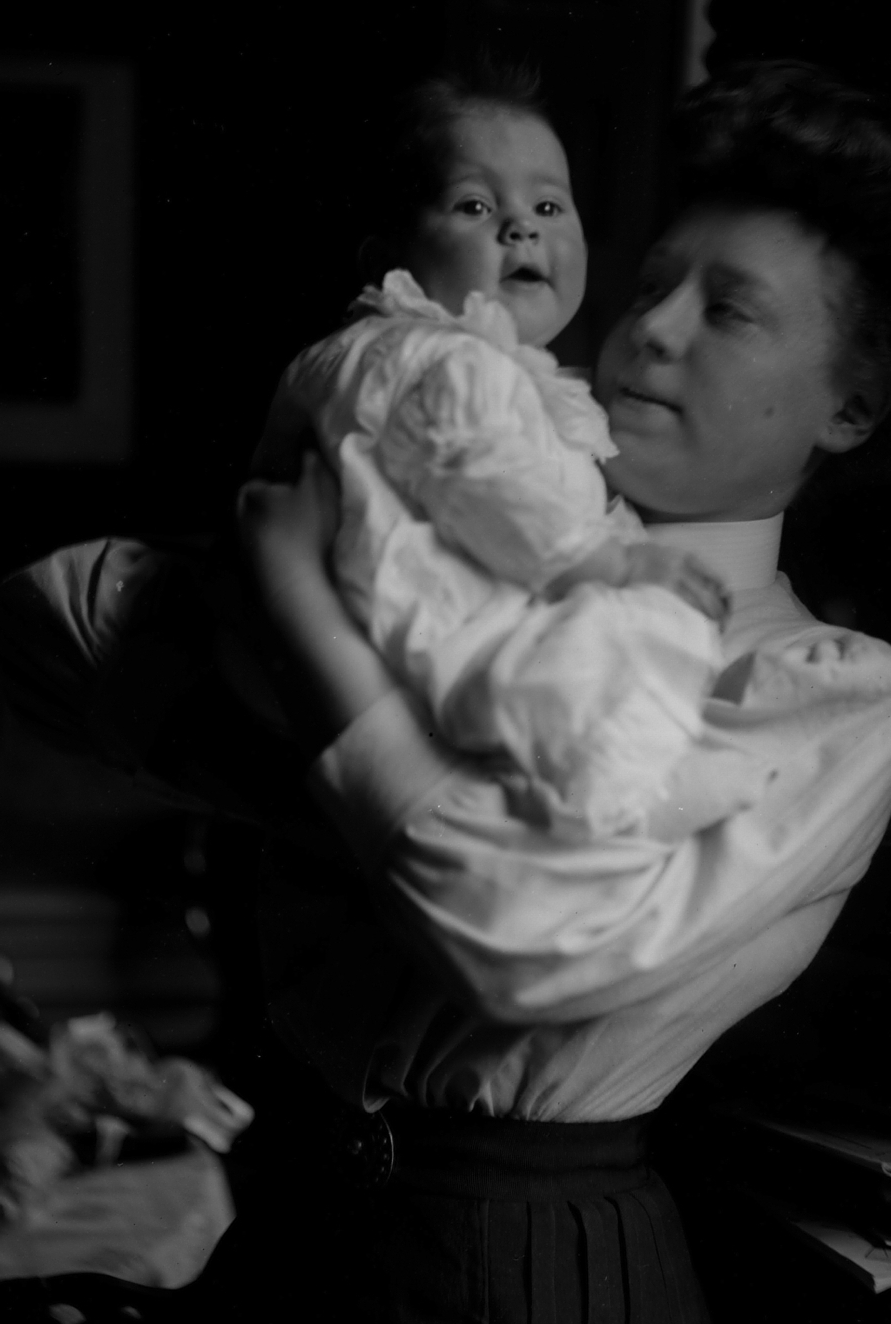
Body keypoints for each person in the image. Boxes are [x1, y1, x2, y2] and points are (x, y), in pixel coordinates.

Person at [0, 59, 891, 1324]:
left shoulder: (816, 692)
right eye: (648, 283)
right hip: (282, 1252)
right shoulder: (430, 498)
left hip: (533, 1312)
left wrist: (310, 642)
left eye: (727, 311)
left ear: (847, 406)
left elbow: (534, 946)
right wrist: (406, 750)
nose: (647, 332)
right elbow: (47, 624)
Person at [259, 69, 735, 840]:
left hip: (392, 635)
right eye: (475, 206)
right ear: (389, 264)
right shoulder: (448, 360)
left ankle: (627, 788)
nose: (521, 229)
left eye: (548, 206)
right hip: (435, 628)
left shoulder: (439, 360)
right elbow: (484, 480)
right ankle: (624, 798)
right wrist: (613, 562)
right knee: (622, 651)